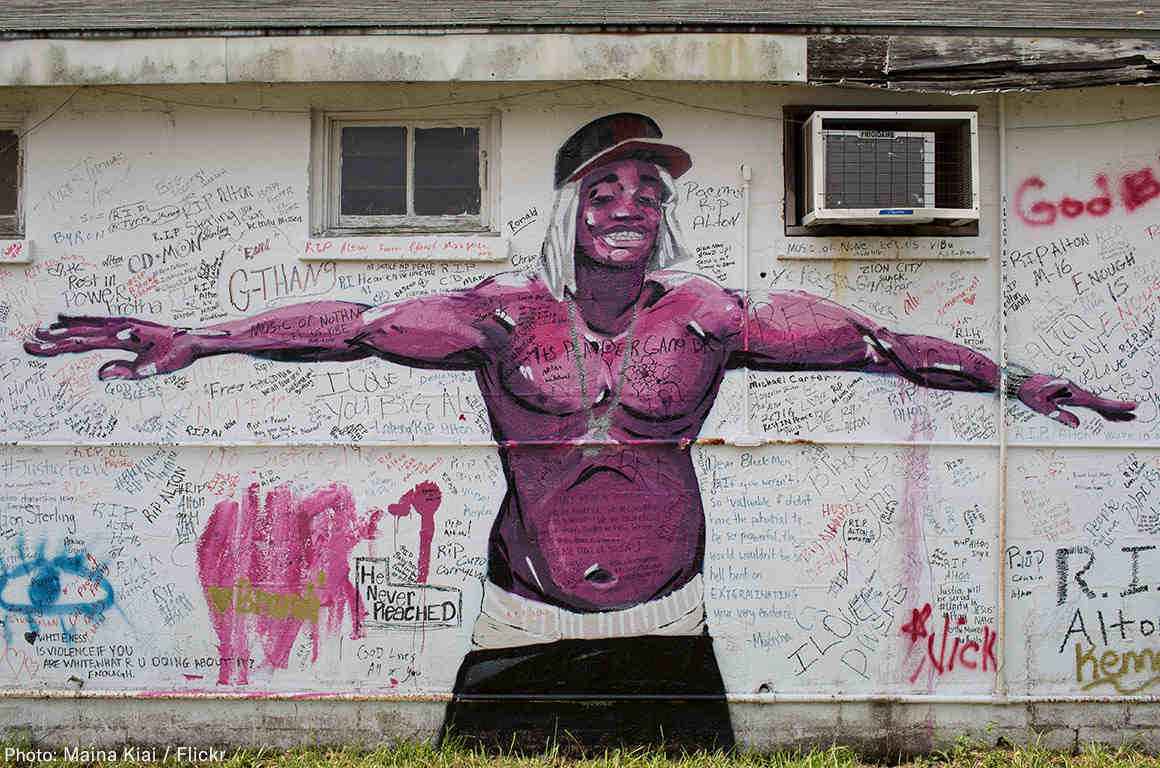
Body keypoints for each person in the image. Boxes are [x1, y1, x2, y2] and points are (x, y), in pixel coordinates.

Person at [25, 113, 1136, 751]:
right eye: (604, 187)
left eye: (647, 191)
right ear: (566, 205)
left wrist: (1020, 381)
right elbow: (350, 328)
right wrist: (200, 336)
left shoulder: (710, 318)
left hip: (670, 621)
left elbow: (881, 345)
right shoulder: (499, 316)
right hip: (522, 622)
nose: (628, 205)